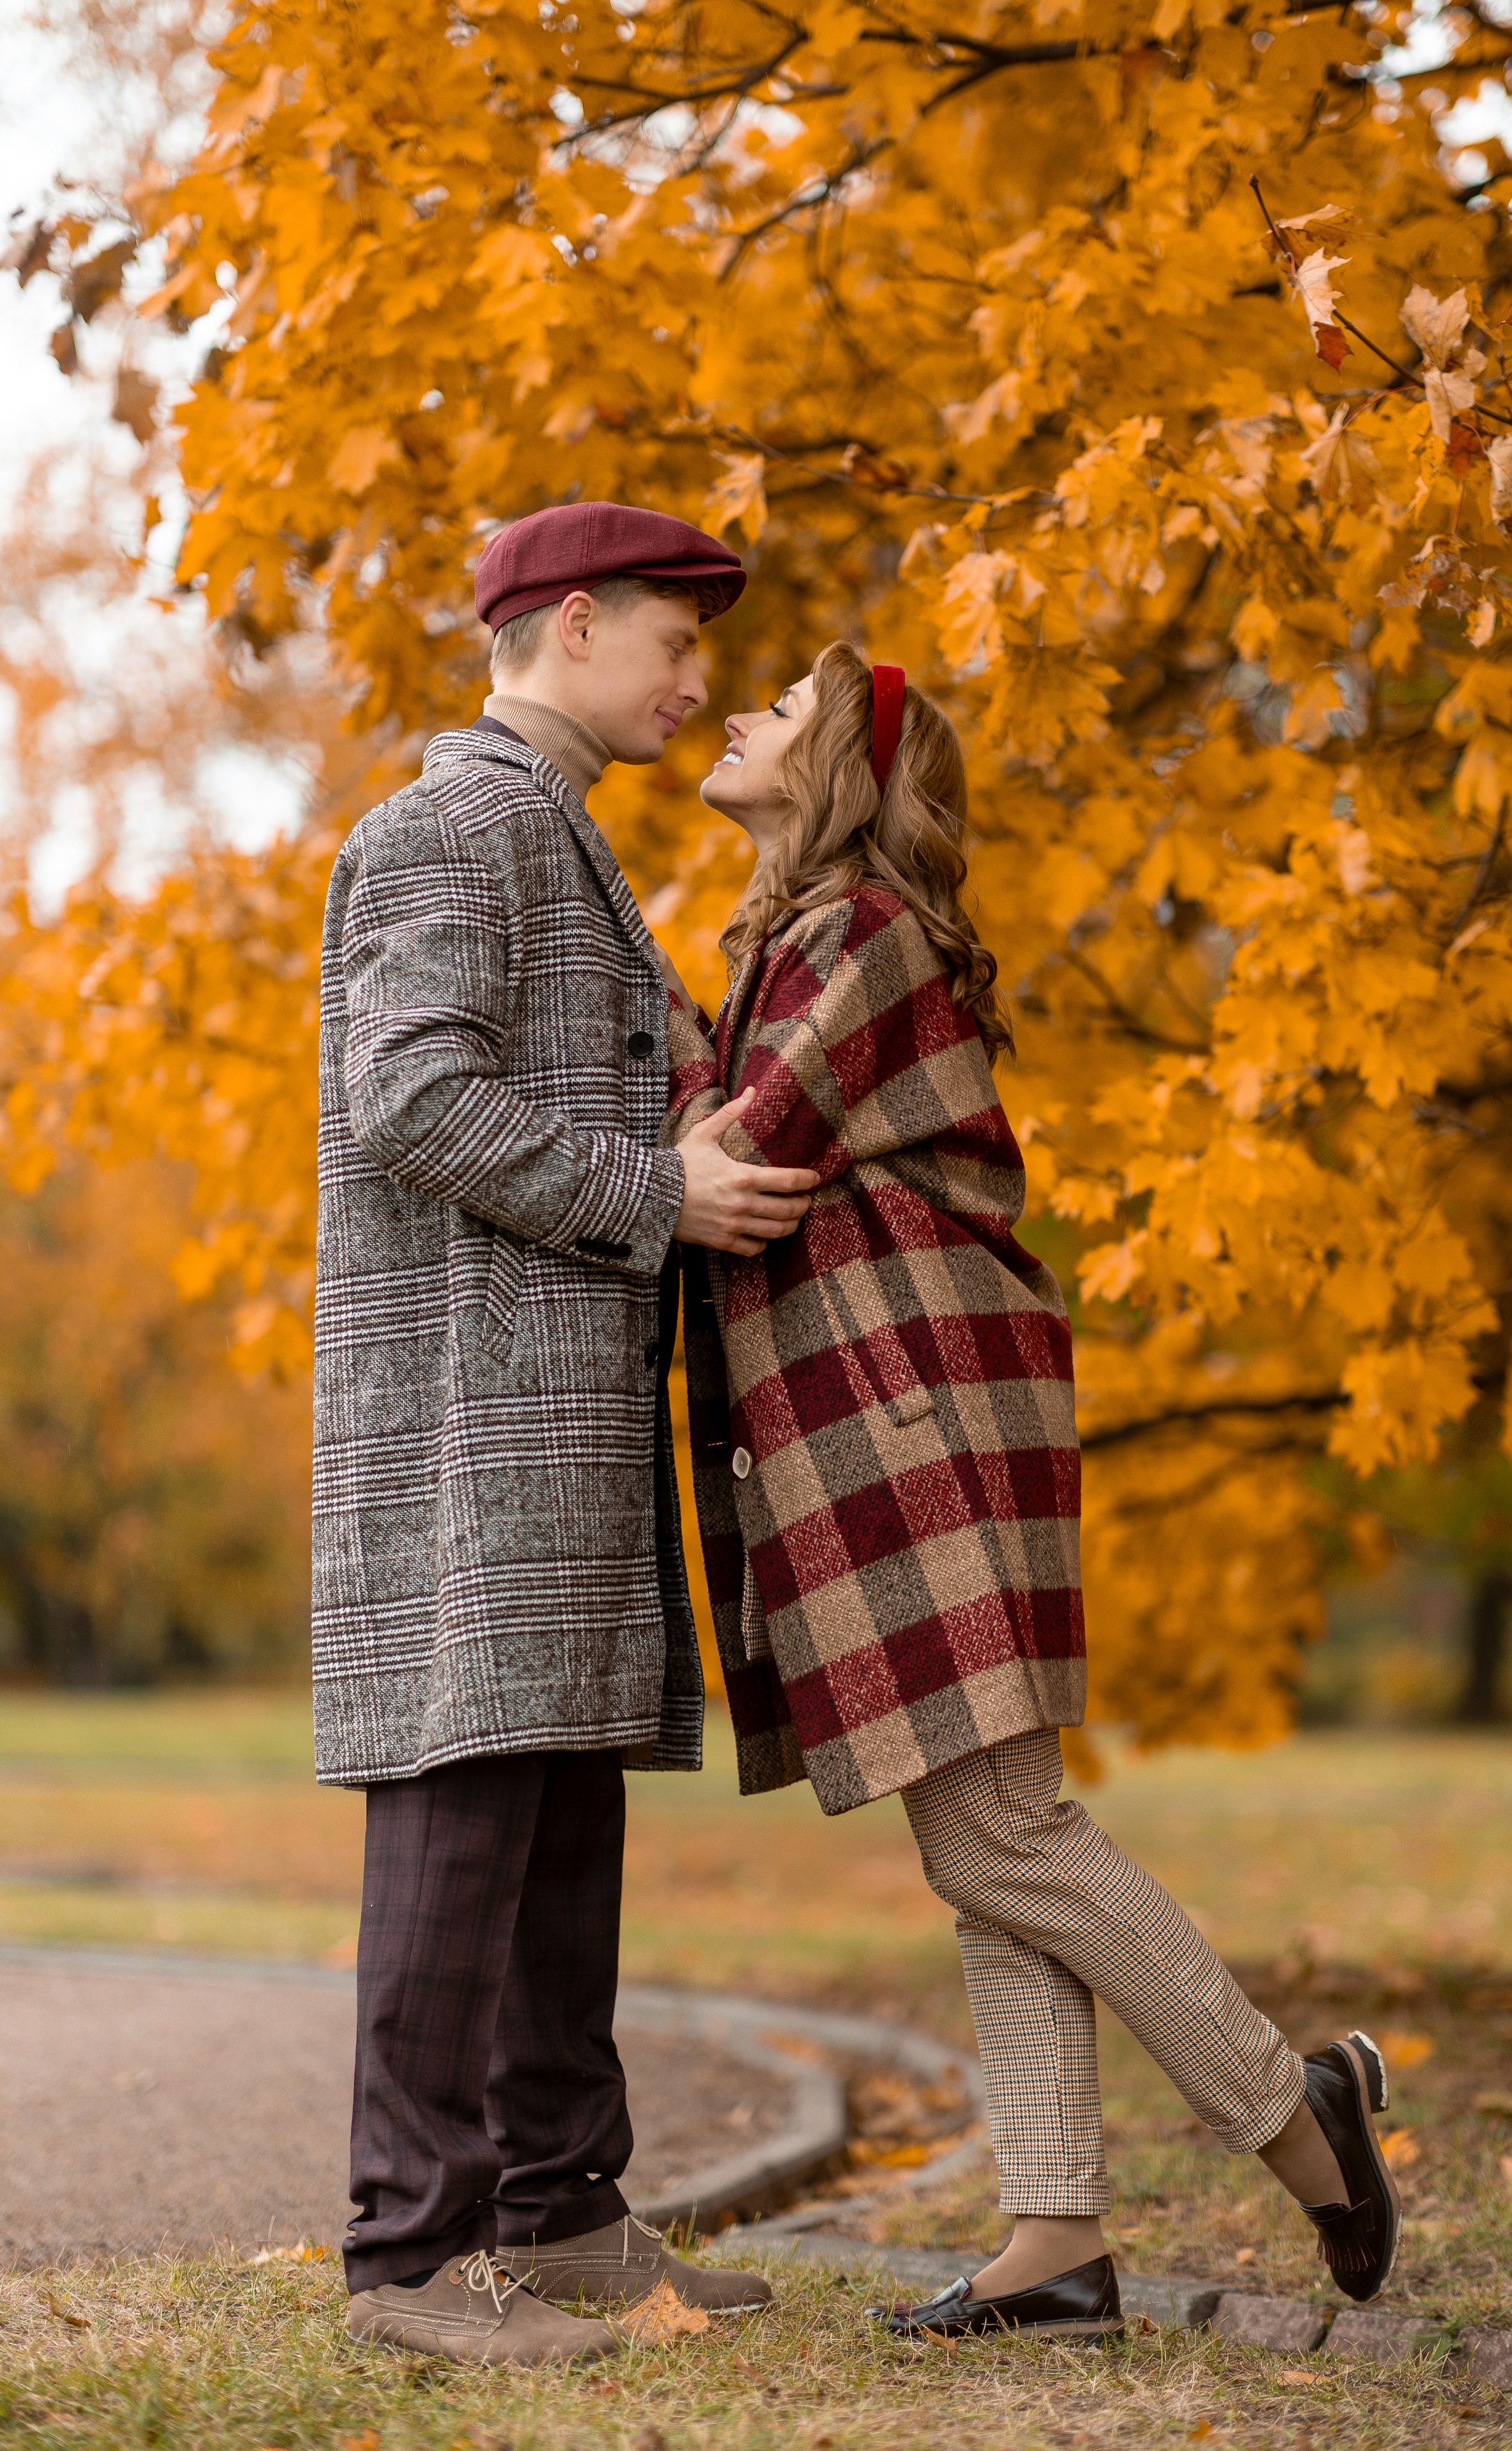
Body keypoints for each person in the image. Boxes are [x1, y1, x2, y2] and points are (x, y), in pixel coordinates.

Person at [661, 642, 1401, 2346]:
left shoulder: (861, 937)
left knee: (1006, 1835)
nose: (739, 713)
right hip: (886, 1411)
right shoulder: (788, 941)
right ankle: (1054, 2239)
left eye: (777, 705)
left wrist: (635, 1117)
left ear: (840, 767)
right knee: (983, 1840)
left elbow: (747, 1158)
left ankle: (1302, 2117)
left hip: (911, 1414)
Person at [314, 502, 820, 2367]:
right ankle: (409, 2261)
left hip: (557, 1411)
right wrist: (654, 1194)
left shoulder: (554, 833)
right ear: (574, 621)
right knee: (465, 1811)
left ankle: (562, 2216)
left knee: (558, 1805)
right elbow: (410, 1094)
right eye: (677, 644)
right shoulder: (456, 822)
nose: (699, 683)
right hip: (470, 1417)